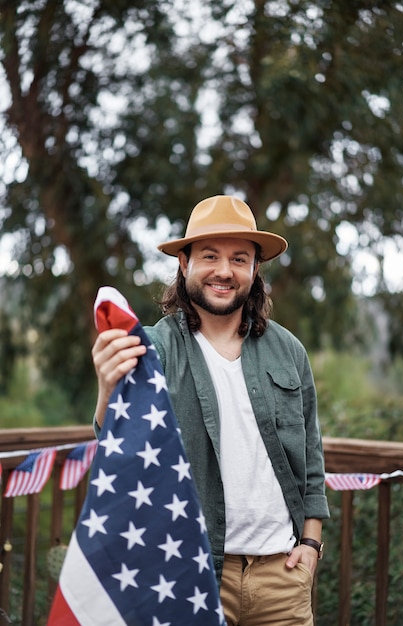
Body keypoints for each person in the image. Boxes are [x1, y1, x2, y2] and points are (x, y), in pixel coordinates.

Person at [92, 194, 330, 626]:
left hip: (283, 577)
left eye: (240, 258)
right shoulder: (154, 350)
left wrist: (311, 545)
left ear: (255, 270)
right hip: (188, 571)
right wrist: (108, 387)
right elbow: (120, 451)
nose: (224, 271)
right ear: (184, 264)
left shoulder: (289, 351)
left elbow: (311, 459)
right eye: (209, 256)